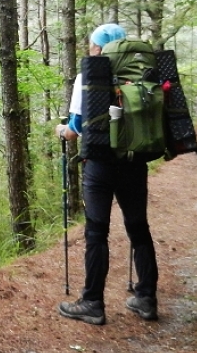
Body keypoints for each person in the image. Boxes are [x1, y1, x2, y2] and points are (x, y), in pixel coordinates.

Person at [54, 22, 159, 325]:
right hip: (135, 161)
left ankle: (92, 302)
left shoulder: (89, 75)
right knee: (139, 228)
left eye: (91, 45)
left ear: (98, 48)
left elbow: (75, 129)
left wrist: (61, 130)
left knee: (97, 232)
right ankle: (147, 299)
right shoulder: (142, 76)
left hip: (99, 164)